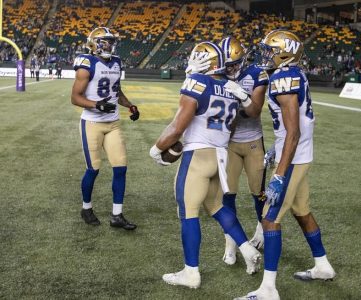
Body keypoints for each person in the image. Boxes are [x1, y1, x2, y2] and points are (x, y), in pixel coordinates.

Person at [149, 41, 261, 289]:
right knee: (216, 207)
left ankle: (191, 273)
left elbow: (178, 125)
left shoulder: (197, 82)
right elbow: (231, 126)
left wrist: (156, 149)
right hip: (219, 156)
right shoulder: (231, 88)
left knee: (188, 212)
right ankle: (246, 249)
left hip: (197, 155)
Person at [236, 30, 335, 300]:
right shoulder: (292, 73)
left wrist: (279, 173)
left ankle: (268, 289)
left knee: (269, 220)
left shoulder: (282, 78)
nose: (265, 54)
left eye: (270, 50)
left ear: (284, 52)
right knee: (302, 212)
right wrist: (276, 152)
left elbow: (294, 132)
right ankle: (323, 265)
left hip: (293, 158)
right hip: (297, 155)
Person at [71, 27, 140, 230]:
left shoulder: (116, 62)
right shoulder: (86, 64)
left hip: (113, 123)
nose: (110, 45)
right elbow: (75, 97)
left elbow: (115, 90)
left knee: (121, 167)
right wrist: (96, 105)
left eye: (111, 41)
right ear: (94, 43)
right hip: (92, 123)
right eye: (105, 41)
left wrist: (130, 105)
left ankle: (117, 215)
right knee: (93, 169)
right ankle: (86, 208)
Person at [217, 37, 269, 266]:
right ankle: (230, 243)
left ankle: (261, 229)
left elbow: (255, 111)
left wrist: (242, 97)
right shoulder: (217, 75)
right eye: (228, 65)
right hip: (228, 143)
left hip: (253, 141)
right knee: (228, 195)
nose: (232, 69)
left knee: (258, 191)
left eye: (236, 63)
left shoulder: (257, 73)